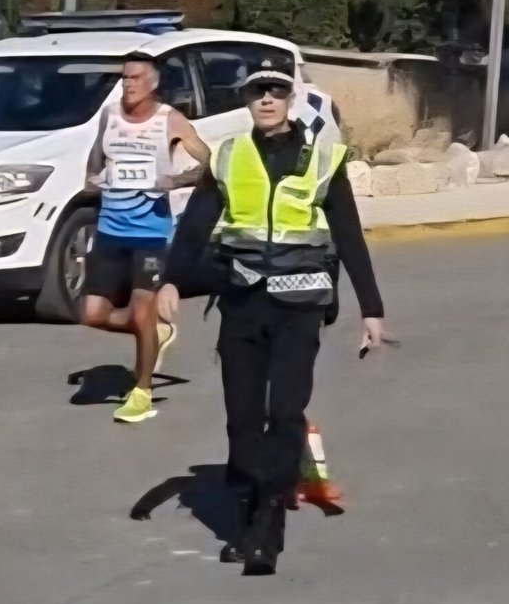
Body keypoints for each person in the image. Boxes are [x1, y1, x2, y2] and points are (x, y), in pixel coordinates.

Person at [157, 56, 386, 576]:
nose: (265, 99)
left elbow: (348, 235)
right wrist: (169, 279)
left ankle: (265, 528)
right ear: (246, 99)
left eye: (275, 91)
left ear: (291, 99)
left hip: (300, 304)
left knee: (284, 413)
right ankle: (247, 510)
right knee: (242, 419)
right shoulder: (229, 156)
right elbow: (196, 224)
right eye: (257, 91)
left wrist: (372, 309)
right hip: (241, 302)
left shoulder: (324, 159)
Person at [82, 51, 212, 425]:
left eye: (136, 78)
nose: (128, 84)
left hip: (151, 235)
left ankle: (142, 390)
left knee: (141, 309)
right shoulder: (109, 116)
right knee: (92, 314)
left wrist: (175, 179)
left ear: (153, 83)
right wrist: (93, 178)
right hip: (110, 232)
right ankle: (155, 330)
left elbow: (207, 163)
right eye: (124, 78)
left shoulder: (168, 119)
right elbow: (96, 158)